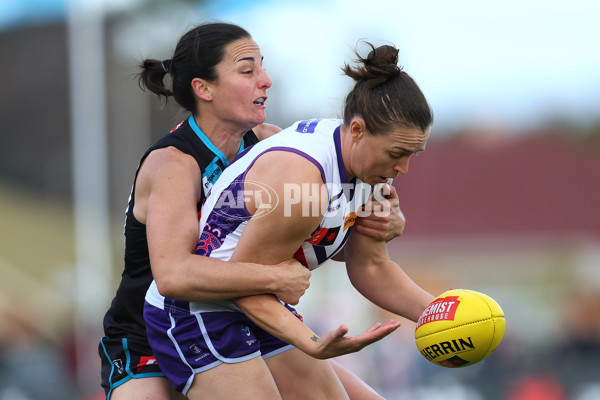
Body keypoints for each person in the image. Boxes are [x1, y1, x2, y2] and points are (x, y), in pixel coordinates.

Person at [99, 22, 405, 400]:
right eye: (248, 70)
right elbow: (174, 275)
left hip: (249, 317)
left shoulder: (273, 144)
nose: (266, 80)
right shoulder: (174, 165)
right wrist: (273, 281)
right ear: (203, 88)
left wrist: (373, 222)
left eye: (262, 66)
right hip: (150, 336)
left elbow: (310, 236)